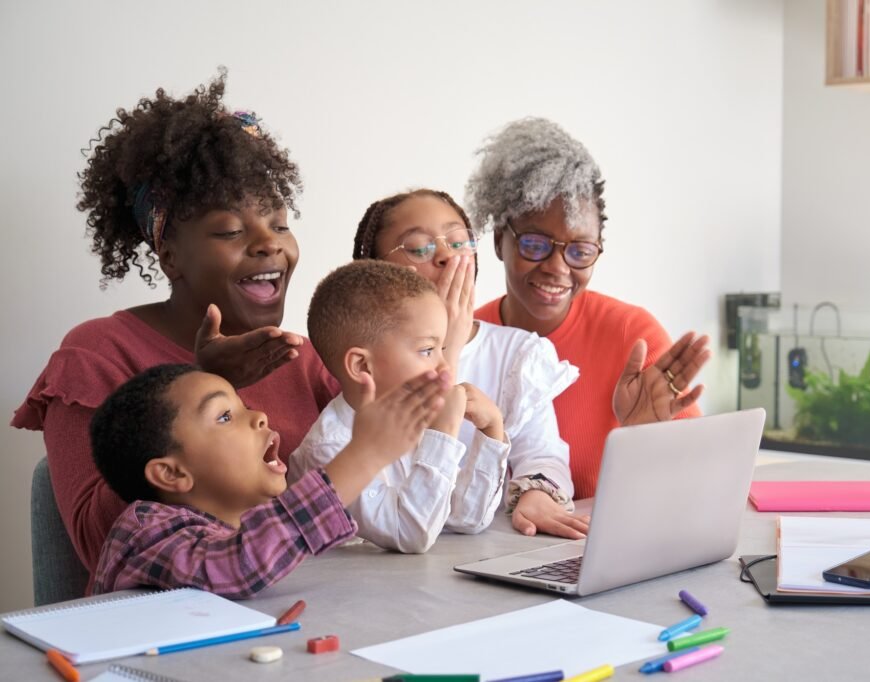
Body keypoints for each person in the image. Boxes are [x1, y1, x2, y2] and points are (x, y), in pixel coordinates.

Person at [11, 71, 338, 578]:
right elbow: (102, 546)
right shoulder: (96, 353)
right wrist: (211, 382)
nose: (269, 244)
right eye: (230, 230)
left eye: (279, 224)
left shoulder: (303, 356)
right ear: (170, 256)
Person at [466, 118, 712, 499]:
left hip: (596, 548)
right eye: (535, 244)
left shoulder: (632, 335)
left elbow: (700, 484)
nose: (557, 268)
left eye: (580, 251)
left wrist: (641, 441)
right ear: (500, 241)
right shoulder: (465, 339)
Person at [90, 363, 449, 598]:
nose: (259, 416)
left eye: (243, 405)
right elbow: (234, 566)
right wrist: (364, 455)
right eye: (226, 416)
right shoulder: (147, 532)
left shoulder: (238, 524)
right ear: (172, 474)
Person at [352, 189, 589, 540]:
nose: (447, 256)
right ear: (375, 273)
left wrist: (536, 495)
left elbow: (542, 453)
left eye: (459, 241)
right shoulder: (367, 360)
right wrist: (447, 344)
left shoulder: (517, 352)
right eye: (420, 248)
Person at [289, 260, 511, 553]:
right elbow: (410, 533)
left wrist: (492, 430)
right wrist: (443, 433)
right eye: (427, 350)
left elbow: (463, 518)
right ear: (362, 365)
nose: (445, 365)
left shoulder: (410, 423)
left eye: (442, 348)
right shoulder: (329, 449)